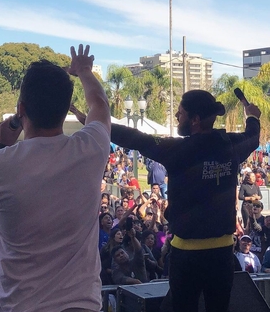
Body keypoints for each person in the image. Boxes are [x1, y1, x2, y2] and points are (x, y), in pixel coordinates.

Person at [0, 45, 111, 311]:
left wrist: (2, 146)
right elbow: (99, 105)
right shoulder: (91, 148)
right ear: (66, 109)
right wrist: (83, 71)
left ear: (21, 109)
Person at [109, 89, 260, 312]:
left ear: (195, 119)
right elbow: (253, 136)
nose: (177, 117)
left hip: (186, 257)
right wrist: (252, 117)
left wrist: (101, 124)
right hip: (222, 256)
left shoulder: (178, 149)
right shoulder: (231, 144)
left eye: (180, 113)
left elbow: (137, 139)